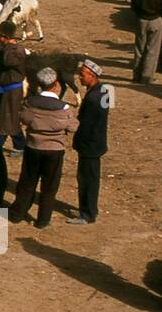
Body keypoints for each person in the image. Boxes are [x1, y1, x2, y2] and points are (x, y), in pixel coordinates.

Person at [9, 67, 79, 228]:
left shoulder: (29, 103)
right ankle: (42, 220)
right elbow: (73, 126)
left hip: (33, 147)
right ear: (55, 85)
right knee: (49, 186)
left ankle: (17, 213)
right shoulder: (63, 108)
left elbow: (23, 118)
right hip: (54, 151)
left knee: (27, 181)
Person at [68, 60, 108, 225]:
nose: (80, 78)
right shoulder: (102, 90)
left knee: (87, 180)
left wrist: (77, 140)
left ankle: (88, 213)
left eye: (82, 75)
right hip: (96, 144)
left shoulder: (93, 98)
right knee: (88, 178)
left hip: (90, 145)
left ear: (92, 76)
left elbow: (86, 125)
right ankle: (86, 208)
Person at [0, 22, 27, 154]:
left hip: (13, 91)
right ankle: (21, 145)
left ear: (6, 36)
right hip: (4, 88)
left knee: (5, 118)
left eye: (0, 36)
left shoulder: (17, 51)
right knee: (10, 118)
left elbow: (7, 61)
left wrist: (8, 46)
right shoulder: (5, 48)